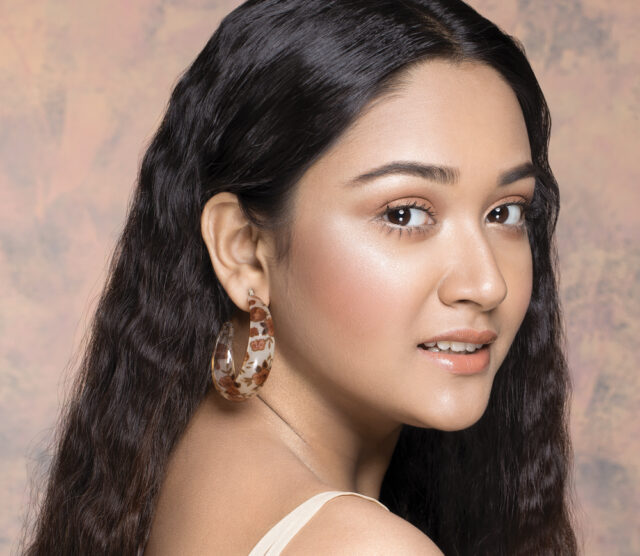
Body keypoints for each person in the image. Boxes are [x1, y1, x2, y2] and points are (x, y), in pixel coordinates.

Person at [23, 0, 578, 554]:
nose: (487, 284)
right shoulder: (365, 548)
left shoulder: (172, 465)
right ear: (244, 250)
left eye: (506, 212)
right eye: (404, 214)